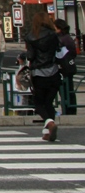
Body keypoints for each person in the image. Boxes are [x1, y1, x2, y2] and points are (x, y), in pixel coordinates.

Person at [25, 11, 63, 141]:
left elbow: (31, 56)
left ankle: (49, 123)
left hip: (39, 73)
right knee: (49, 102)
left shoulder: (31, 37)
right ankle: (47, 132)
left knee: (38, 103)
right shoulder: (53, 35)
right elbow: (59, 51)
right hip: (53, 72)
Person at [54, 18, 78, 114]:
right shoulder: (66, 37)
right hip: (66, 66)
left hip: (65, 67)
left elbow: (72, 52)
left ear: (59, 28)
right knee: (67, 90)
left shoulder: (64, 39)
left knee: (67, 89)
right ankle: (69, 109)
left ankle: (69, 110)